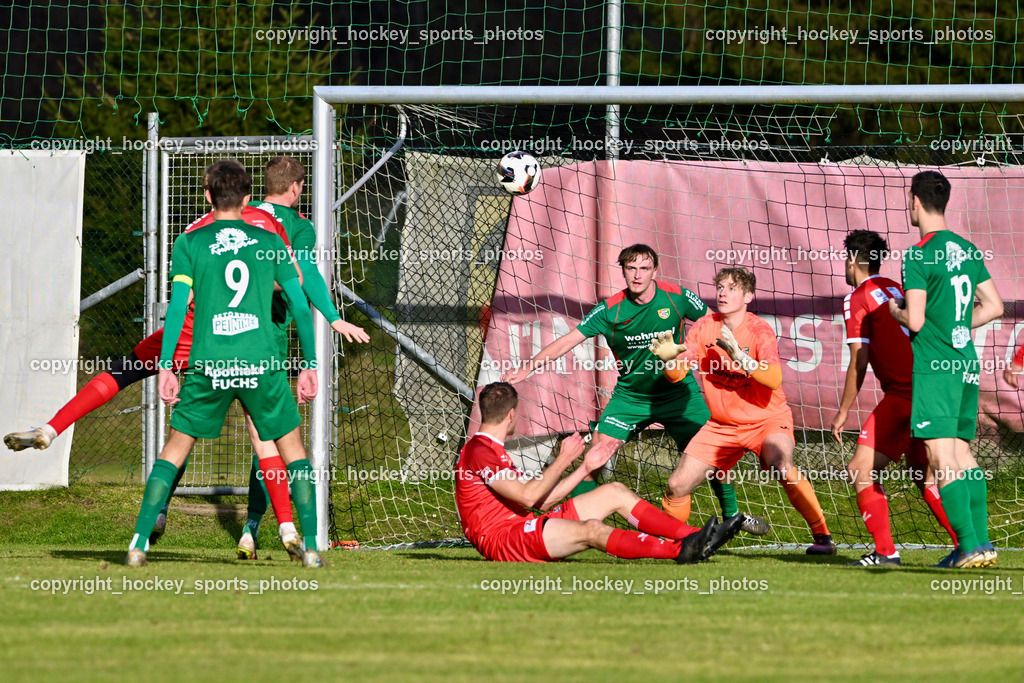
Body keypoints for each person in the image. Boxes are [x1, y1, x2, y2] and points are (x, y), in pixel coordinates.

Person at [5, 156, 369, 558]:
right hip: (249, 343)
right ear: (268, 192)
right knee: (268, 438)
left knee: (129, 381)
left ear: (213, 194)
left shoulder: (197, 231)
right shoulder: (282, 231)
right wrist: (330, 322)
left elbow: (183, 298)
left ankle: (59, 434)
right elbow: (302, 281)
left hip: (193, 335)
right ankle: (290, 530)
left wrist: (167, 365)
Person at [125, 160, 322, 567]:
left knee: (174, 450)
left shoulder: (190, 241)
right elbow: (301, 306)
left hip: (209, 362)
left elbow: (178, 307)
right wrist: (310, 363)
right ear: (249, 199)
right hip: (260, 362)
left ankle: (139, 542)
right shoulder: (269, 239)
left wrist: (166, 366)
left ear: (207, 196)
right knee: (293, 452)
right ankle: (313, 548)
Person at [501, 244, 768, 536]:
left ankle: (733, 516)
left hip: (679, 392)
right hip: (631, 397)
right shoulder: (610, 310)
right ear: (623, 271)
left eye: (643, 268)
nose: (637, 275)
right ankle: (572, 526)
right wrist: (530, 366)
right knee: (597, 454)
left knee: (714, 454)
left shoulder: (677, 297)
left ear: (655, 270)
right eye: (631, 268)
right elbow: (567, 341)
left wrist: (742, 357)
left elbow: (715, 326)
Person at [649, 267, 837, 554]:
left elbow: (774, 379)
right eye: (721, 287)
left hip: (767, 420)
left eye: (732, 288)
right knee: (676, 485)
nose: (723, 292)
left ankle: (823, 538)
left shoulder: (759, 330)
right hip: (722, 426)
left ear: (748, 296)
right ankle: (671, 546)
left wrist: (742, 359)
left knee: (782, 467)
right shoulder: (703, 326)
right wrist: (667, 361)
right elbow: (676, 375)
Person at [455, 382, 743, 563]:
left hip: (522, 524)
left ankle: (702, 536)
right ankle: (681, 550)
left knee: (614, 491)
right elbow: (530, 497)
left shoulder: (488, 450)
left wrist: (584, 467)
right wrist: (564, 457)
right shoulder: (480, 451)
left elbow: (541, 501)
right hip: (504, 540)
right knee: (592, 530)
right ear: (511, 415)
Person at [889, 170, 1003, 569]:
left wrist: (894, 311)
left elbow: (915, 321)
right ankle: (982, 545)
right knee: (963, 455)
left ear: (915, 201)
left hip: (936, 368)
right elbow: (995, 307)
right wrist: (956, 325)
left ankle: (969, 544)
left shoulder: (918, 254)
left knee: (942, 459)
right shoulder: (969, 250)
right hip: (966, 363)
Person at [830, 229, 958, 566]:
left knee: (860, 468)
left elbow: (859, 359)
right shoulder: (893, 287)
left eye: (844, 259)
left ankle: (886, 551)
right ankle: (968, 546)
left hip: (905, 395)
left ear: (853, 261)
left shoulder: (856, 298)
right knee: (924, 474)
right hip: (931, 390)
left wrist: (843, 411)